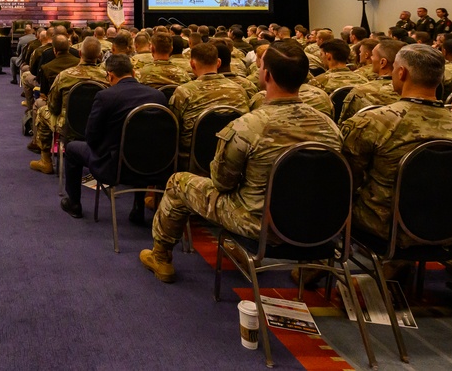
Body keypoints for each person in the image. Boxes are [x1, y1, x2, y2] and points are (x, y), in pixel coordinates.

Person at [140, 41, 341, 283]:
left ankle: (161, 257)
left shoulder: (248, 126)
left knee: (177, 183)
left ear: (266, 74)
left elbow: (222, 182)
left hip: (257, 223)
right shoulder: (330, 126)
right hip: (317, 225)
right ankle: (313, 263)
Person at [341, 44, 452, 244]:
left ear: (401, 72)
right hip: (449, 227)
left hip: (385, 226)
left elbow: (346, 177)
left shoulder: (374, 122)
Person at [59, 54, 166, 223]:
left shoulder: (105, 96)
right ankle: (138, 207)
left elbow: (91, 137)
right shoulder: (158, 97)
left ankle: (74, 204)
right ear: (133, 73)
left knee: (72, 148)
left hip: (113, 168)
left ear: (110, 75)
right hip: (153, 167)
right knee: (142, 146)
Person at [29, 37, 106, 174]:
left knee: (42, 111)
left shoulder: (64, 76)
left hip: (68, 128)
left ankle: (45, 161)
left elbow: (53, 106)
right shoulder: (107, 76)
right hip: (99, 127)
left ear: (80, 54)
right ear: (100, 56)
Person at [168, 42, 250, 158]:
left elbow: (173, 127)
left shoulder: (183, 92)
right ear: (218, 63)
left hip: (192, 160)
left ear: (192, 64)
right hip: (229, 158)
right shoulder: (240, 90)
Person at [338, 39, 404, 123]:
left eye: (372, 55)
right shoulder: (410, 92)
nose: (371, 58)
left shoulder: (361, 92)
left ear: (382, 62)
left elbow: (345, 124)